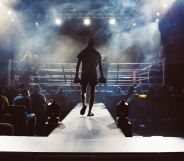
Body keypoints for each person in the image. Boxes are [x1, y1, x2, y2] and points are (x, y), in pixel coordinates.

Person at [74, 38, 105, 116]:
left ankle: (84, 104)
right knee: (92, 93)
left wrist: (76, 75)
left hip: (84, 74)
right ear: (93, 44)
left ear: (88, 43)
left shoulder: (83, 52)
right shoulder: (96, 53)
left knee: (83, 91)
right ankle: (89, 112)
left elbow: (78, 65)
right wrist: (102, 75)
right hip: (92, 74)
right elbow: (100, 66)